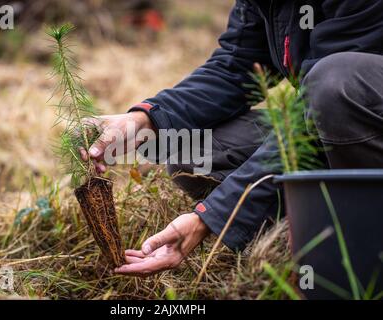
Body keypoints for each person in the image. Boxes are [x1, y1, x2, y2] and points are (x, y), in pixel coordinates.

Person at [80, 0, 383, 276]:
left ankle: (357, 251)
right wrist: (145, 119)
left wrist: (212, 215)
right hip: (331, 122)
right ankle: (316, 228)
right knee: (194, 153)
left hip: (352, 111)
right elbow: (235, 67)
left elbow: (324, 108)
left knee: (335, 83)